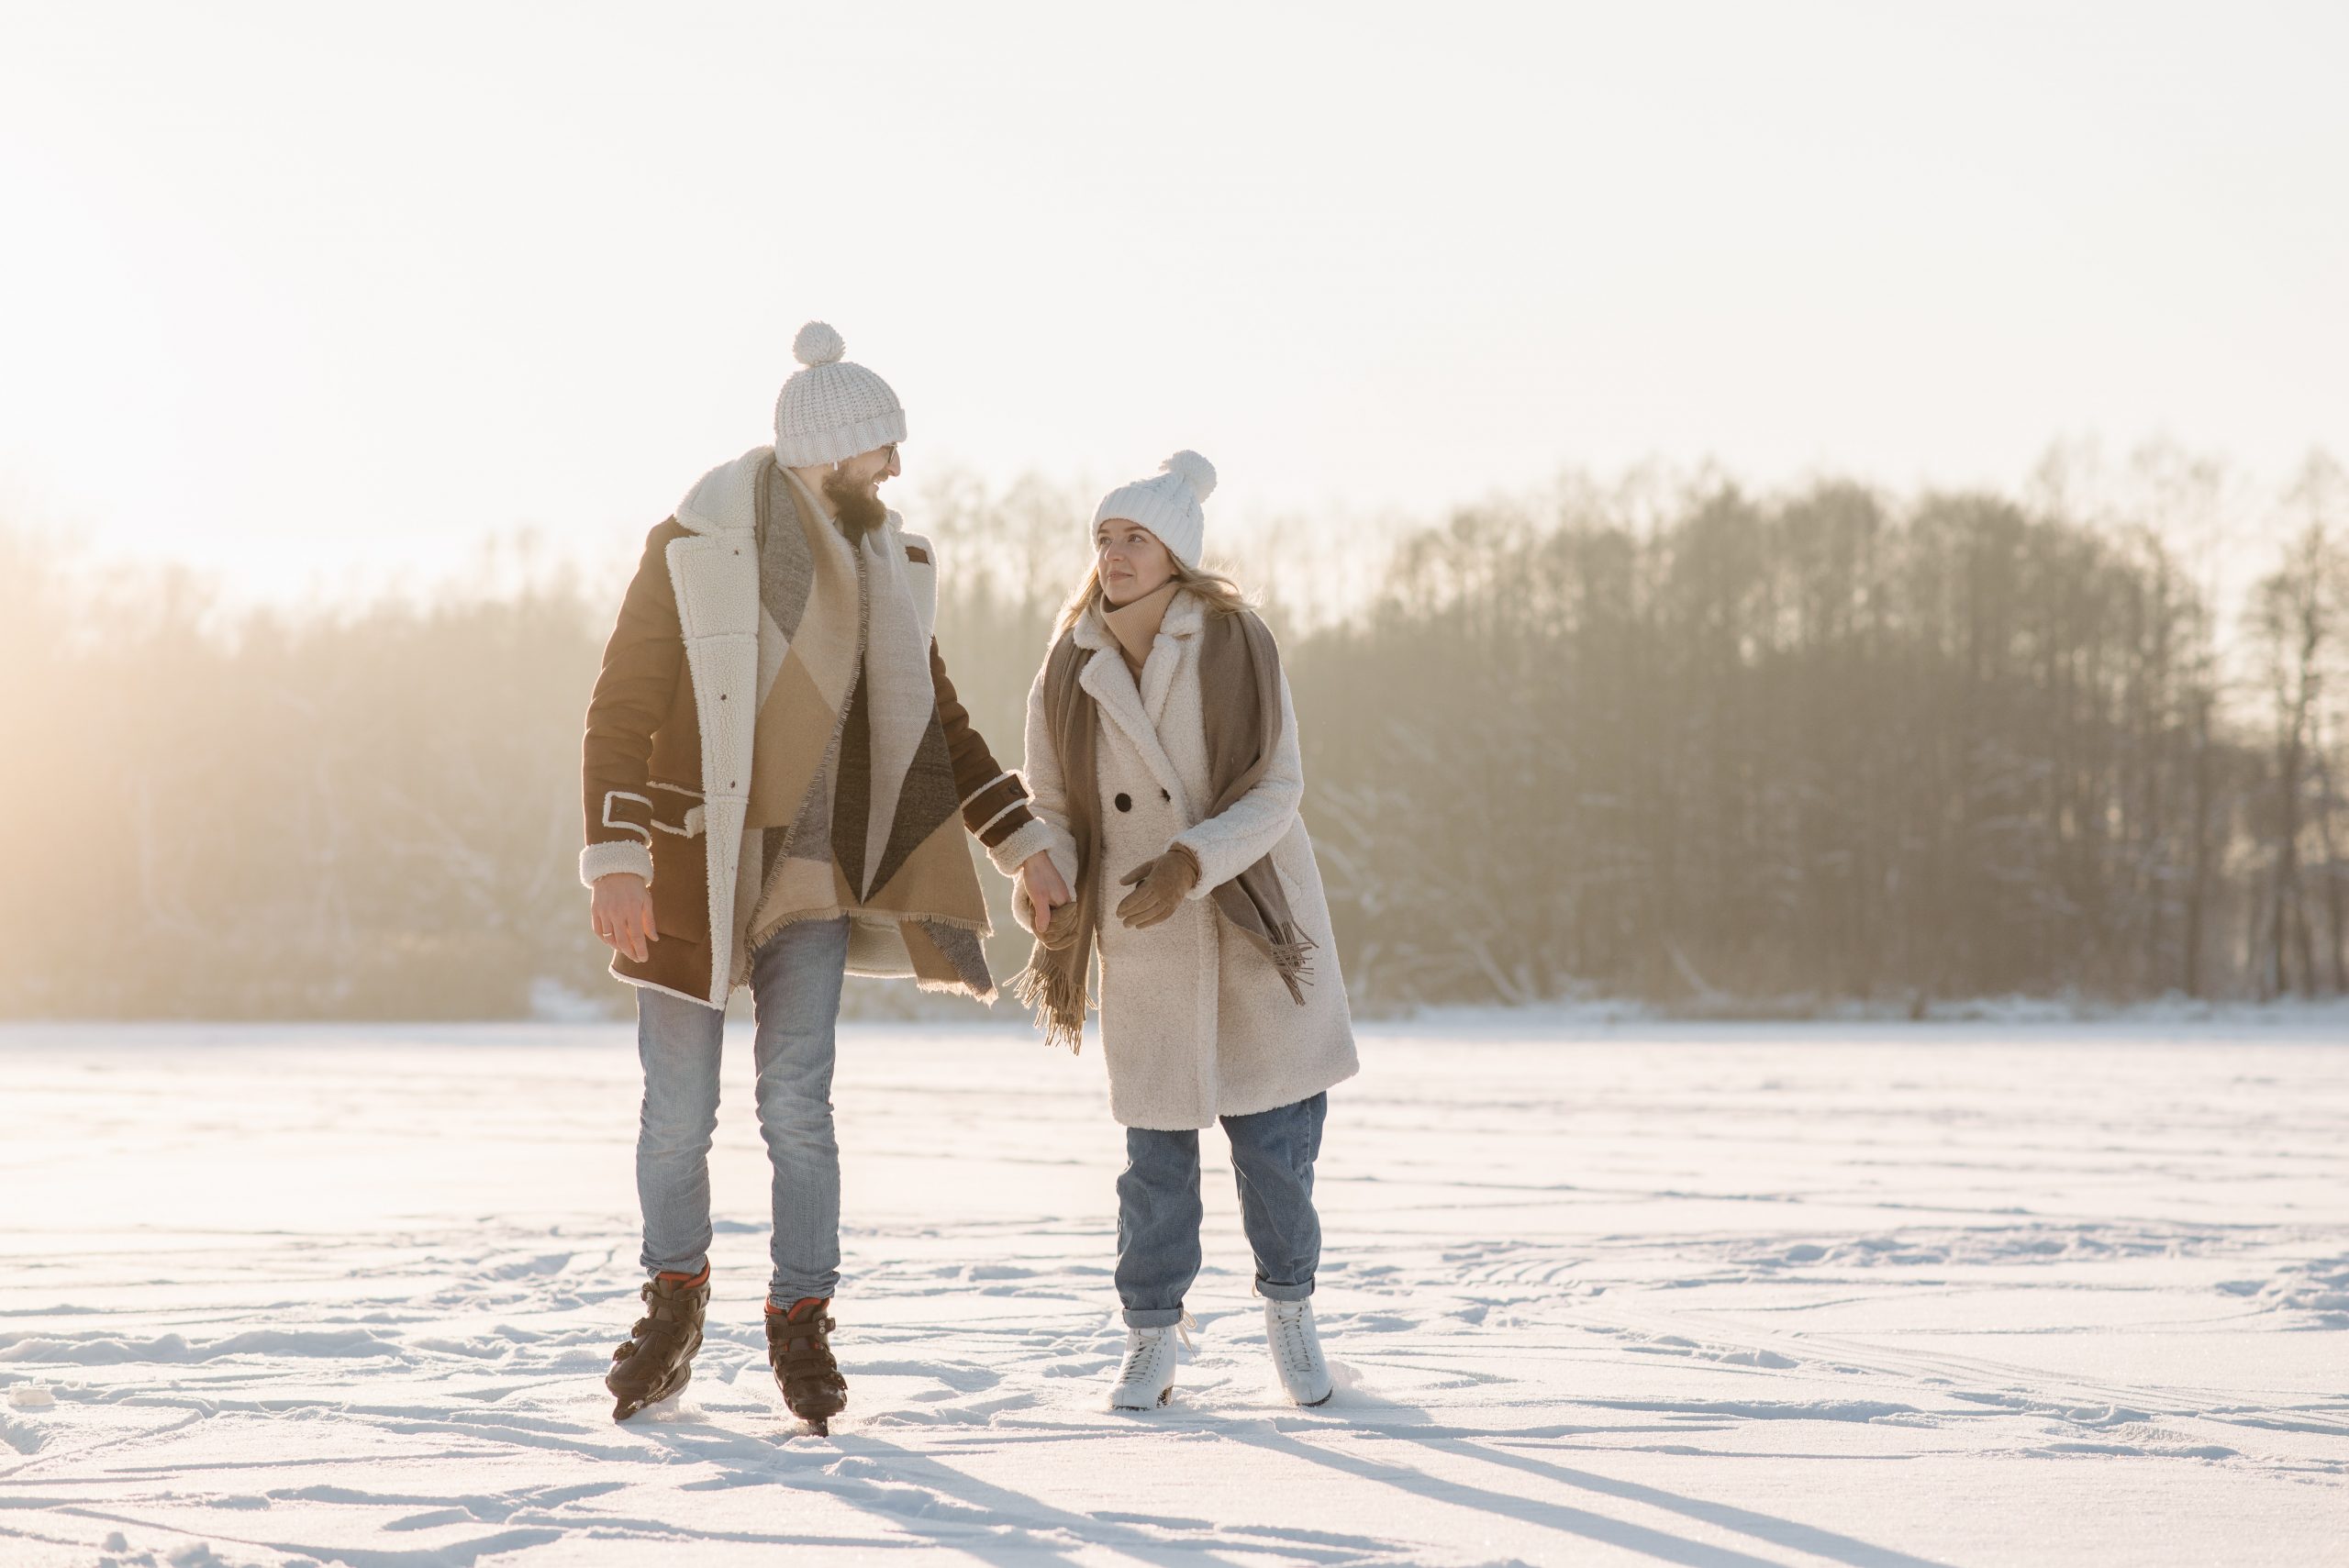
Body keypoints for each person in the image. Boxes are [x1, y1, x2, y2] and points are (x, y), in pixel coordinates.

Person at [577, 322, 1066, 1428]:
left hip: (815, 880)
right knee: (675, 1115)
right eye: (879, 450)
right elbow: (620, 710)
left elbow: (939, 723)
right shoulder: (692, 543)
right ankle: (674, 1299)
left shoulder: (892, 566)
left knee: (797, 1109)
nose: (895, 470)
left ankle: (800, 1319)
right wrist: (616, 861)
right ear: (826, 450)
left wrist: (1024, 841)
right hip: (692, 866)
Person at [1006, 450, 1359, 1410]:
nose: (1113, 555)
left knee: (1274, 1150)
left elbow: (1277, 788)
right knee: (1154, 1164)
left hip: (1248, 915)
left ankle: (1290, 1311)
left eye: (1134, 539)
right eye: (1104, 539)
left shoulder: (1238, 640)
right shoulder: (1069, 658)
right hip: (1143, 933)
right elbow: (1050, 801)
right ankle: (1151, 1337)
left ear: (1176, 554)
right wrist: (1048, 877)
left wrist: (1191, 861)